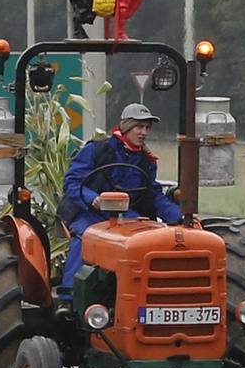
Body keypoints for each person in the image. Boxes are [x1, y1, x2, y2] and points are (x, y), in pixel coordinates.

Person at [59, 103, 182, 294]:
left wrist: (179, 218)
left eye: (147, 128)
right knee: (83, 239)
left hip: (128, 216)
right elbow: (72, 183)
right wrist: (94, 199)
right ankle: (70, 294)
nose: (144, 133)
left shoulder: (146, 161)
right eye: (139, 127)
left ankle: (151, 293)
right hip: (92, 214)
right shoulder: (97, 150)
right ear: (126, 127)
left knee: (155, 241)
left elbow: (153, 194)